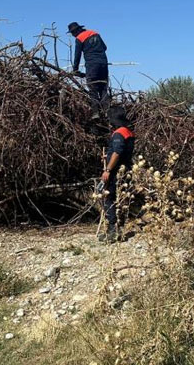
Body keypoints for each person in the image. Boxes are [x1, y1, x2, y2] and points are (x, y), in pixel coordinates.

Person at [100, 106, 135, 242]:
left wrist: (108, 169)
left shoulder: (119, 133)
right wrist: (107, 156)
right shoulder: (129, 133)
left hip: (116, 172)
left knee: (109, 198)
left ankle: (112, 232)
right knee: (122, 200)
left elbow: (117, 152)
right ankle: (120, 230)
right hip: (127, 170)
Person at [68, 22, 109, 119]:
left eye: (72, 33)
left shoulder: (79, 38)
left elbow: (77, 55)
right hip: (103, 63)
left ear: (76, 31)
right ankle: (107, 112)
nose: (73, 35)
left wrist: (75, 70)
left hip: (92, 65)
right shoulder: (95, 33)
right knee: (103, 88)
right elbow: (105, 47)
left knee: (93, 88)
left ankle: (96, 113)